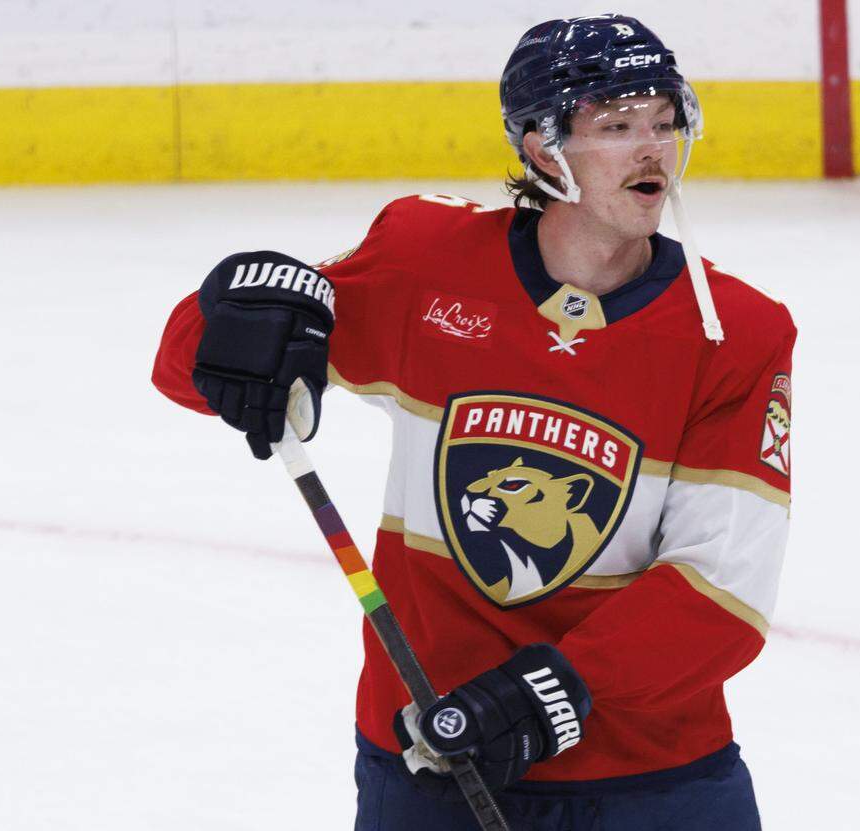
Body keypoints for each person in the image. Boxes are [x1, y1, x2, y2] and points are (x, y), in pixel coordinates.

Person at [153, 13, 796, 831]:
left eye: (666, 123)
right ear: (539, 148)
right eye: (618, 126)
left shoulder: (734, 330)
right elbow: (187, 370)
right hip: (430, 754)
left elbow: (723, 592)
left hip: (652, 774)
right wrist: (239, 318)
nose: (654, 151)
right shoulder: (428, 264)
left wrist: (550, 690)